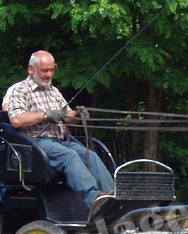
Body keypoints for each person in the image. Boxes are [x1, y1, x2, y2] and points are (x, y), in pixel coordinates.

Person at [6, 50, 114, 214]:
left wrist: (78, 115)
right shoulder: (20, 91)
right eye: (44, 70)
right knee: (69, 157)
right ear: (31, 69)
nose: (49, 74)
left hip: (61, 141)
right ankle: (95, 200)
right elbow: (16, 120)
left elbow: (68, 116)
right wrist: (44, 115)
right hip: (36, 143)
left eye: (51, 70)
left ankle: (113, 197)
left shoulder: (53, 91)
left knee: (90, 155)